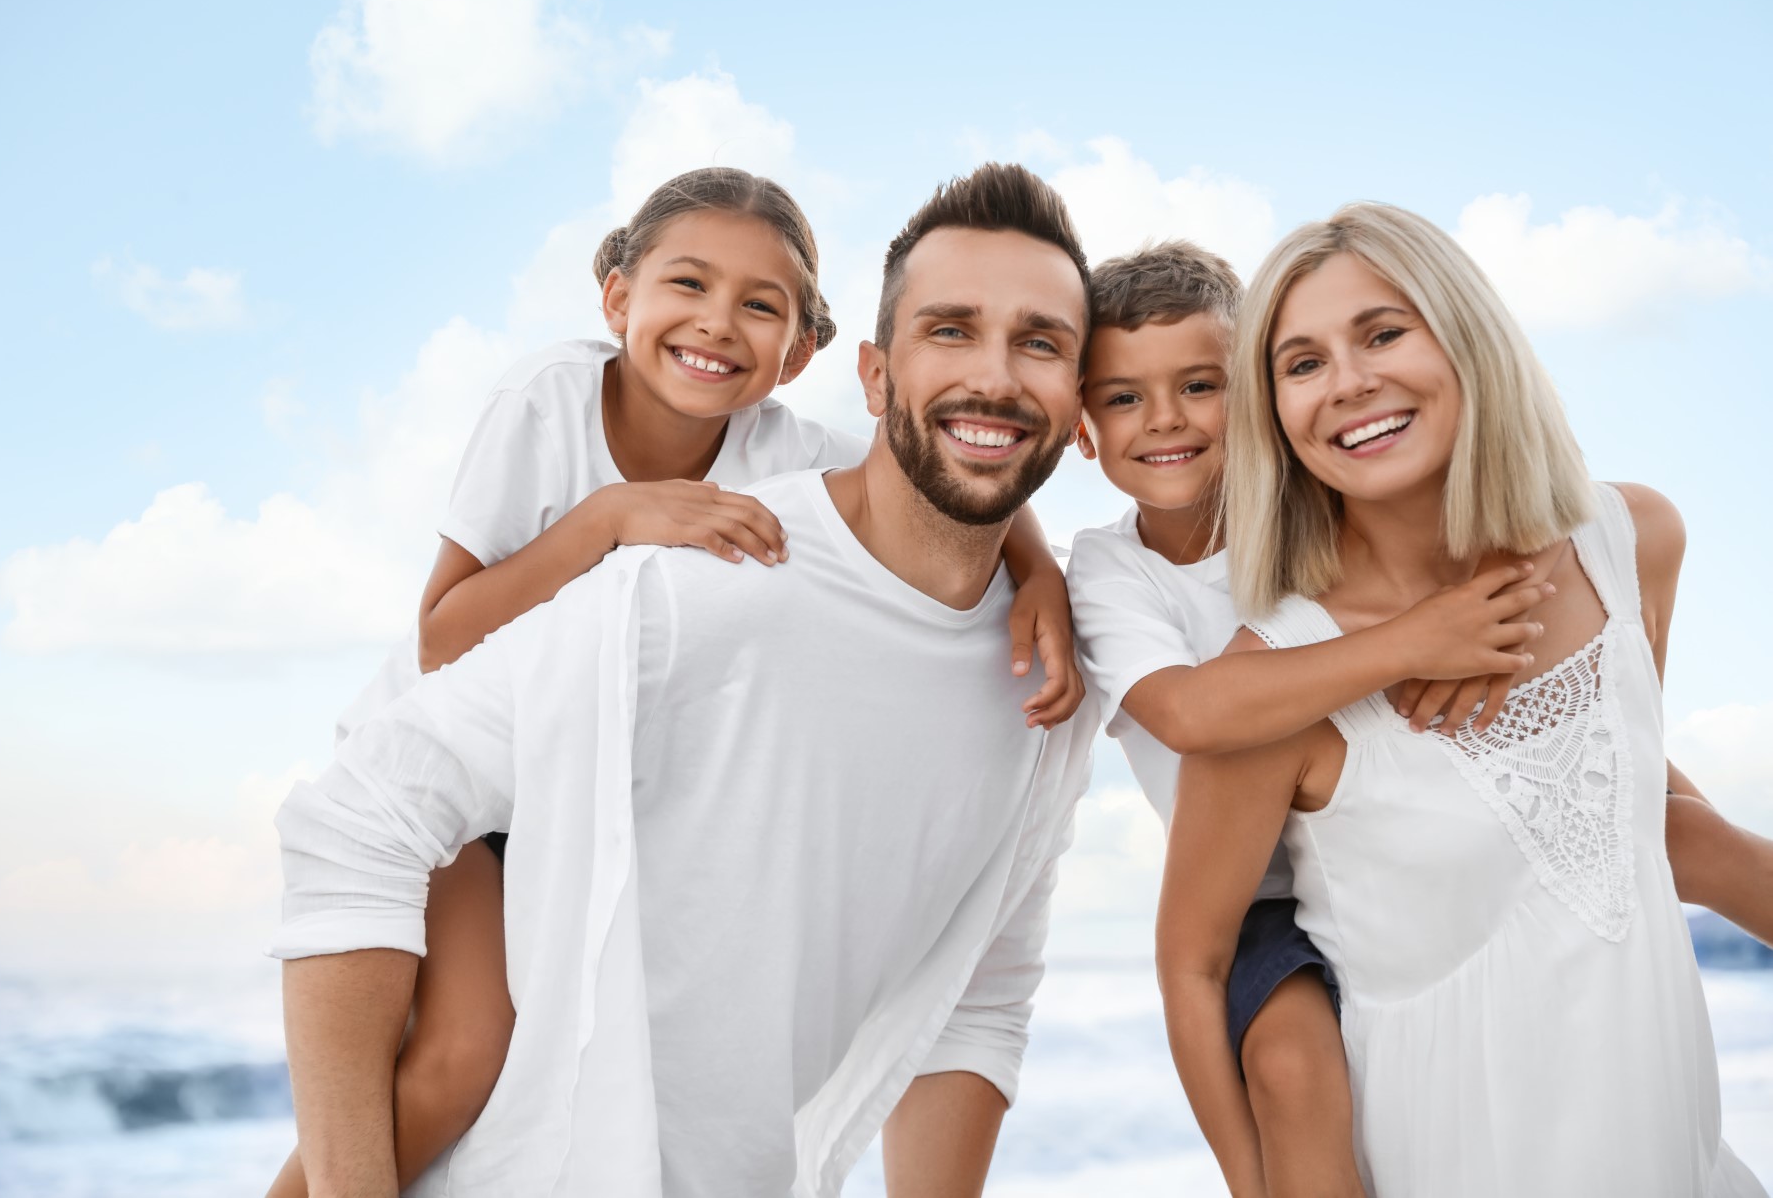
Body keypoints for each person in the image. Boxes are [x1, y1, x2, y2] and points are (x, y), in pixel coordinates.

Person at [270, 162, 1099, 1198]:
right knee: (462, 1048)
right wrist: (607, 520)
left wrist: (1039, 570)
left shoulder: (791, 457)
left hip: (562, 795)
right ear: (617, 295)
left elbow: (964, 455)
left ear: (800, 352)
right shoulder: (568, 431)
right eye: (950, 329)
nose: (716, 324)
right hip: (452, 747)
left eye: (1040, 344)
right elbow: (429, 667)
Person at [1156, 202, 1766, 1195]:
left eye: (1382, 332)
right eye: (1301, 363)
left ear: (1464, 334)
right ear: (1273, 415)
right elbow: (1196, 965)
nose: (1349, 382)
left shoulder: (1629, 544)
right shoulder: (1276, 687)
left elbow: (1623, 806)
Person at [1066, 240, 1568, 1197]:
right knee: (1291, 1063)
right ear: (1083, 430)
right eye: (1123, 397)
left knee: (1670, 821)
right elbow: (1189, 712)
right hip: (1261, 894)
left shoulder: (1334, 506)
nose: (1165, 418)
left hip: (1409, 839)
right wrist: (1415, 642)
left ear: (1257, 396)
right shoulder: (1111, 568)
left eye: (1201, 385)